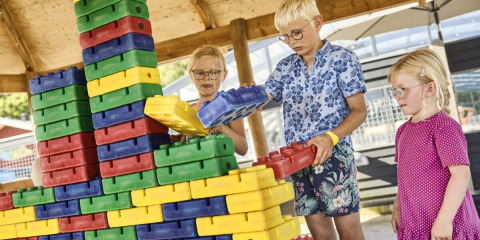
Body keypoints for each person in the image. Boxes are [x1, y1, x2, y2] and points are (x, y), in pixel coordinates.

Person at [253, 0, 367, 239]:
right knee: (320, 234)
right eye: (284, 37)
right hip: (297, 161)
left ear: (317, 23)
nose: (292, 42)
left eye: (296, 33)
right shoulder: (284, 67)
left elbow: (359, 111)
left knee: (349, 232)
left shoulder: (343, 59)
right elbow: (260, 100)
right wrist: (246, 96)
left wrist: (330, 137)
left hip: (334, 156)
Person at [389, 49, 480, 239]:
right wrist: (398, 205)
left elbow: (461, 175)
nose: (397, 96)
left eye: (403, 89)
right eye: (394, 90)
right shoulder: (403, 132)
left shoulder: (444, 127)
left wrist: (444, 221)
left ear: (430, 89)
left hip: (448, 227)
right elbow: (405, 177)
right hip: (416, 223)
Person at [170, 45, 248, 156]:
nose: (207, 78)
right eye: (200, 73)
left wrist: (223, 129)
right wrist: (180, 142)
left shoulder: (231, 107)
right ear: (191, 75)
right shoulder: (187, 111)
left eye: (213, 72)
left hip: (226, 171)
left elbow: (243, 149)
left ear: (224, 75)